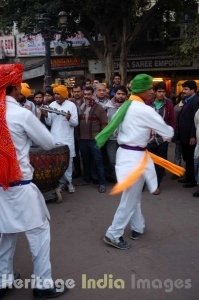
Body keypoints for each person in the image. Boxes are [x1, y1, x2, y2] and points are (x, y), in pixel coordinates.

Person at [0, 64, 66, 298]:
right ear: (15, 87)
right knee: (38, 232)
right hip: (20, 186)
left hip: (0, 189)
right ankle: (43, 284)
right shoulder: (20, 114)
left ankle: (3, 280)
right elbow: (48, 143)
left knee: (5, 233)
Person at [97, 74, 174, 250]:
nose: (152, 92)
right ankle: (113, 233)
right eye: (151, 89)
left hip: (125, 155)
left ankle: (138, 227)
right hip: (135, 159)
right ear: (145, 90)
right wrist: (166, 130)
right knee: (130, 199)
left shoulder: (126, 105)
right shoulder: (144, 109)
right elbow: (167, 133)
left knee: (133, 195)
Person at [45, 84, 78, 194]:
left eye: (58, 93)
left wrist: (69, 118)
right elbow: (49, 122)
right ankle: (60, 182)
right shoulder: (52, 104)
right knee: (57, 162)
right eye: (55, 94)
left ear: (64, 94)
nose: (56, 96)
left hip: (67, 138)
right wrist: (45, 115)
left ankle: (69, 182)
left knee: (68, 161)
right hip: (55, 137)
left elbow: (75, 123)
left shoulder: (71, 105)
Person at [147, 81, 175, 194]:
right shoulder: (148, 103)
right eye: (159, 91)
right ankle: (148, 182)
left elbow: (172, 122)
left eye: (163, 91)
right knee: (148, 163)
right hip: (148, 139)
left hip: (162, 139)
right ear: (154, 92)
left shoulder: (168, 104)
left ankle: (156, 185)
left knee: (160, 163)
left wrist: (168, 136)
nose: (161, 94)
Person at [177, 80, 199, 188]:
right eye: (183, 88)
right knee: (187, 157)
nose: (183, 91)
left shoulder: (196, 101)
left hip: (190, 136)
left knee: (190, 158)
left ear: (193, 90)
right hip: (184, 135)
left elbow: (196, 122)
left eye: (186, 89)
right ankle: (188, 176)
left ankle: (192, 180)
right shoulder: (187, 100)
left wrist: (193, 136)